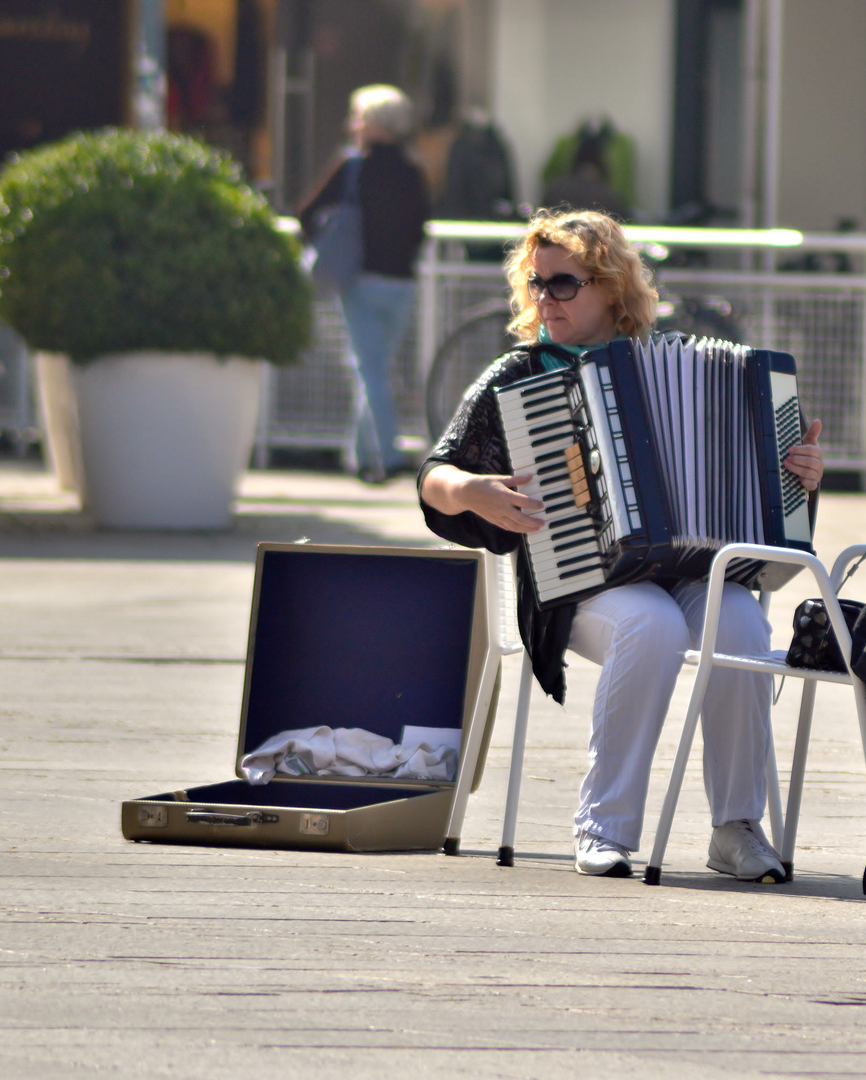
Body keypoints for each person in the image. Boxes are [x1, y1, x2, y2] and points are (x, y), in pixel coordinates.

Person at [417, 209, 825, 882]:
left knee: (744, 619)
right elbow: (435, 473)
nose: (544, 299)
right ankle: (602, 828)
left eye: (563, 284)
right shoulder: (520, 374)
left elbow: (768, 514)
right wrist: (471, 492)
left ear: (610, 287)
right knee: (650, 620)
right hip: (577, 587)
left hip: (688, 571)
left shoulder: (687, 366)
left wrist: (801, 478)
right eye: (536, 282)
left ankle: (736, 826)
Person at [299, 85, 431, 482]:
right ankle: (359, 455)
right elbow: (420, 227)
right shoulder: (413, 171)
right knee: (375, 369)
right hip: (404, 284)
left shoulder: (352, 165)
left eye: (358, 116)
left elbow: (306, 212)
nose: (352, 124)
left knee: (370, 370)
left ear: (374, 124)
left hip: (362, 282)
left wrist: (331, 242)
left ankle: (388, 456)